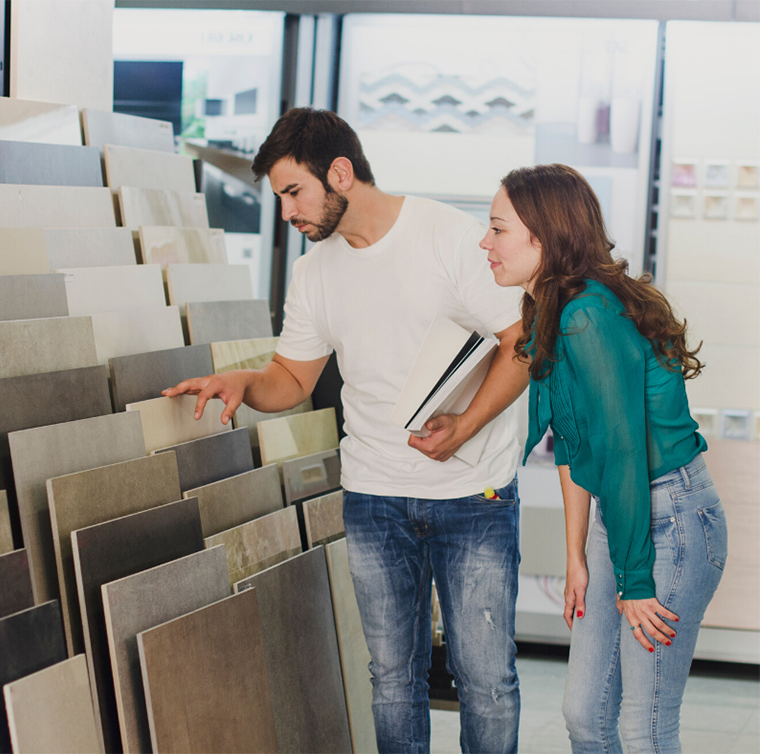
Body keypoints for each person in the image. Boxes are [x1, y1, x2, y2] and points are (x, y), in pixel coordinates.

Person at [164, 107, 530, 754]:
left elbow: (522, 340)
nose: (286, 213)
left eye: (293, 192)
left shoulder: (448, 236)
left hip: (474, 496)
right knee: (392, 678)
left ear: (340, 173)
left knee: (486, 681)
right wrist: (243, 384)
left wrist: (466, 426)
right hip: (372, 496)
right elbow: (292, 379)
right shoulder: (314, 272)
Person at [481, 163, 727, 754]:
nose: (485, 243)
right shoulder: (549, 310)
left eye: (497, 228)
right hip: (621, 517)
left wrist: (635, 580)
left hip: (669, 520)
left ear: (544, 236)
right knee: (585, 717)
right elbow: (572, 439)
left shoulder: (586, 316)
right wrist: (575, 554)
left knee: (641, 727)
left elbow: (620, 452)